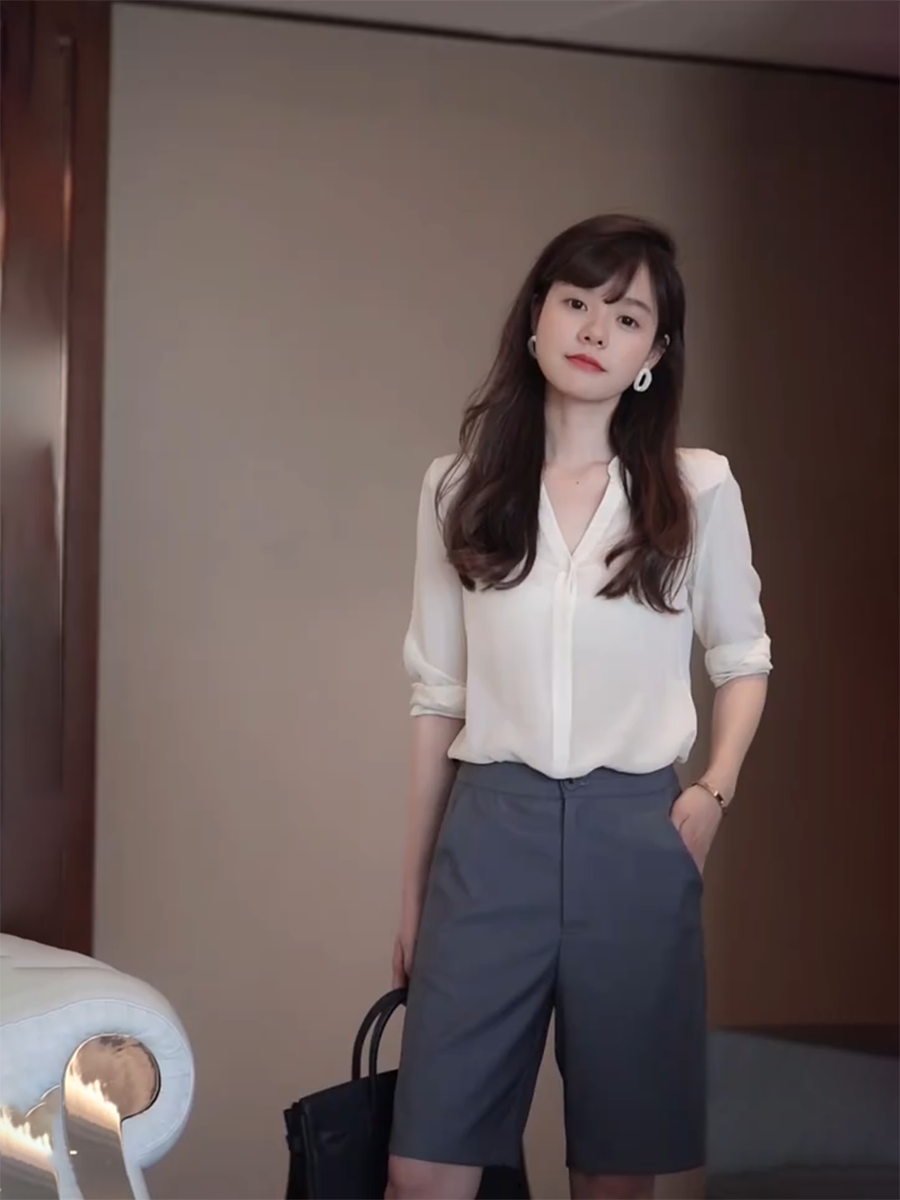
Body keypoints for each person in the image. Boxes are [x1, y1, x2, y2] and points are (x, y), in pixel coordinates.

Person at [386, 214, 772, 1200]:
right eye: (576, 302)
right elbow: (439, 695)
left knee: (616, 1173)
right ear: (536, 319)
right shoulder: (458, 489)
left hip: (637, 834)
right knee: (422, 1169)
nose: (596, 329)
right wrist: (416, 889)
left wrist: (712, 793)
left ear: (654, 355)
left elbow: (743, 658)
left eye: (627, 316)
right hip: (490, 830)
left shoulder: (698, 488)